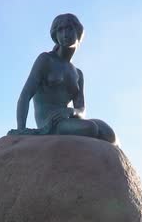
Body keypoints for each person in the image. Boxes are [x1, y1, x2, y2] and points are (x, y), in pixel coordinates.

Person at [9, 13, 118, 144]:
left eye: (69, 28)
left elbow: (81, 109)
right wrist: (21, 130)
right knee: (91, 128)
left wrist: (70, 111)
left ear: (78, 32)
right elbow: (25, 95)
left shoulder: (78, 74)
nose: (65, 34)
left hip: (69, 119)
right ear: (55, 35)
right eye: (60, 30)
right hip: (50, 123)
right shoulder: (46, 60)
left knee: (108, 133)